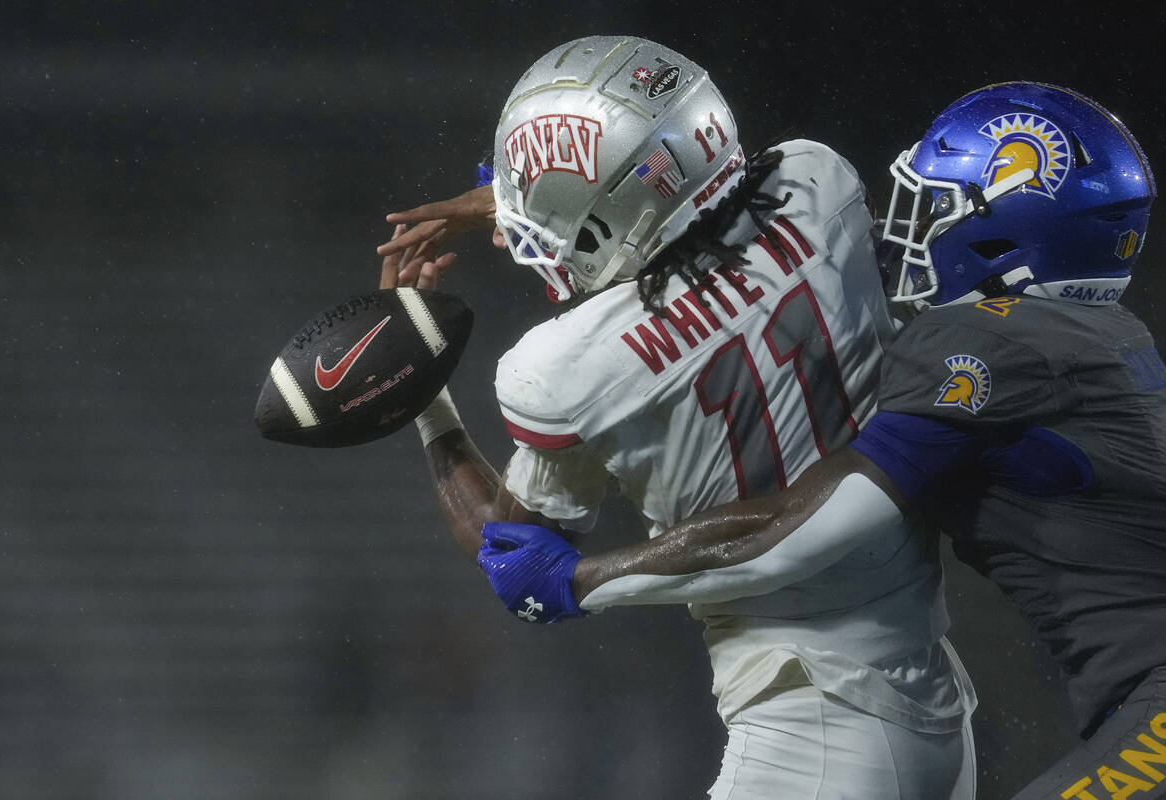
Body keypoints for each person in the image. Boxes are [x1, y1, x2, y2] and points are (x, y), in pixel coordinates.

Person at [484, 81, 1165, 800]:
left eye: (935, 205)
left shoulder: (985, 346)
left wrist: (581, 579)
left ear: (1001, 231)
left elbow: (799, 528)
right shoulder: (1083, 339)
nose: (906, 228)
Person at [379, 35, 975, 800]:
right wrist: (537, 195)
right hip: (923, 678)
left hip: (806, 716)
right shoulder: (820, 183)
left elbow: (516, 557)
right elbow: (690, 188)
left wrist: (425, 397)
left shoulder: (565, 365)